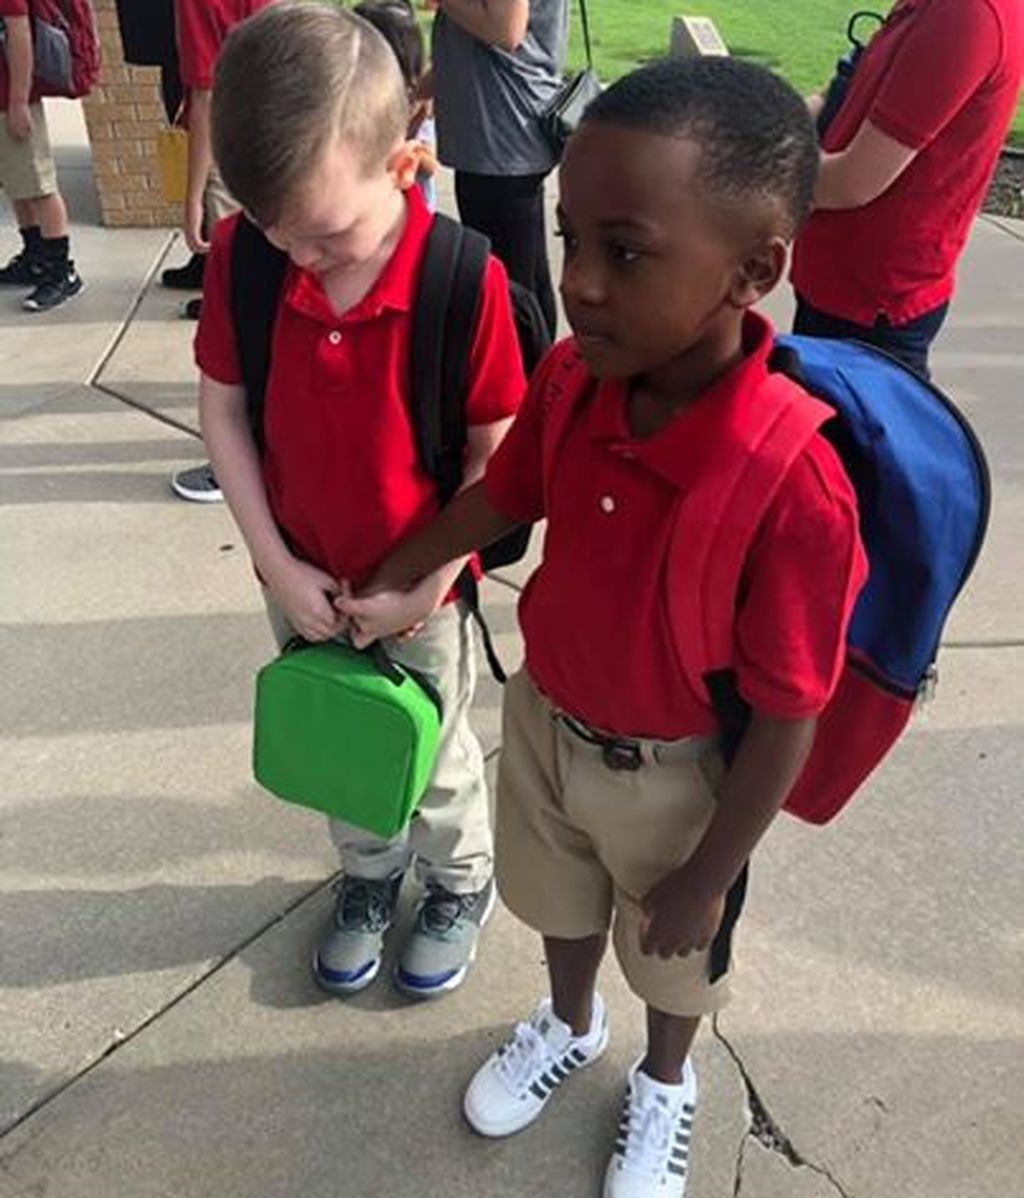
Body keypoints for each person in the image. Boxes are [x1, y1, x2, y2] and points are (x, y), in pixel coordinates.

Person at [347, 57, 868, 1197]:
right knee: (559, 903)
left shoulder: (791, 482)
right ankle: (568, 1021)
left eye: (623, 252)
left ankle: (667, 1080)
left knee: (673, 962)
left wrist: (709, 871)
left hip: (677, 783)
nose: (577, 283)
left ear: (754, 271)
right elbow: (503, 497)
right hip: (546, 724)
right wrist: (397, 570)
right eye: (567, 236)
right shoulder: (575, 381)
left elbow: (788, 714)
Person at [196, 3, 525, 999]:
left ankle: (460, 878)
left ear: (402, 160)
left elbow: (493, 457)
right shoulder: (247, 261)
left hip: (418, 584)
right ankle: (369, 876)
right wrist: (277, 565)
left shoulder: (461, 280)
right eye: (271, 227)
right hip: (301, 575)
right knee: (341, 743)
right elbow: (224, 415)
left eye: (325, 235)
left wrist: (430, 581)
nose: (298, 256)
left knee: (431, 754)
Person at [792, 0, 1024, 378]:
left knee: (860, 433)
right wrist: (758, 124)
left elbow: (852, 181)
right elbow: (842, 92)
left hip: (870, 305)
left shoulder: (965, 14)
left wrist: (745, 170)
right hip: (841, 281)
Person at [169, 0, 275, 504]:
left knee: (247, 324)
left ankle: (246, 457)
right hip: (292, 153)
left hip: (240, 167)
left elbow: (207, 95)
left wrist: (190, 197)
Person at [431, 0, 567, 336]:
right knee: (525, 276)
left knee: (509, 286)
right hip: (500, 131)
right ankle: (539, 375)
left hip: (501, 131)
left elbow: (505, 30)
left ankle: (523, 379)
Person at [114, 0, 206, 292]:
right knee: (186, 140)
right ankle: (206, 261)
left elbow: (206, 94)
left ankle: (222, 277)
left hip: (211, 70)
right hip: (175, 52)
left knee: (212, 174)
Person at [0, 1, 84, 311]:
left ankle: (62, 272)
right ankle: (34, 257)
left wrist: (18, 100)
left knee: (38, 184)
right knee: (16, 182)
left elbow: (19, 31)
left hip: (10, 98)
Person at [354, 0, 439, 211]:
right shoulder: (359, 97)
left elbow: (430, 166)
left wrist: (402, 146)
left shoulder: (416, 101)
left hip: (411, 208)